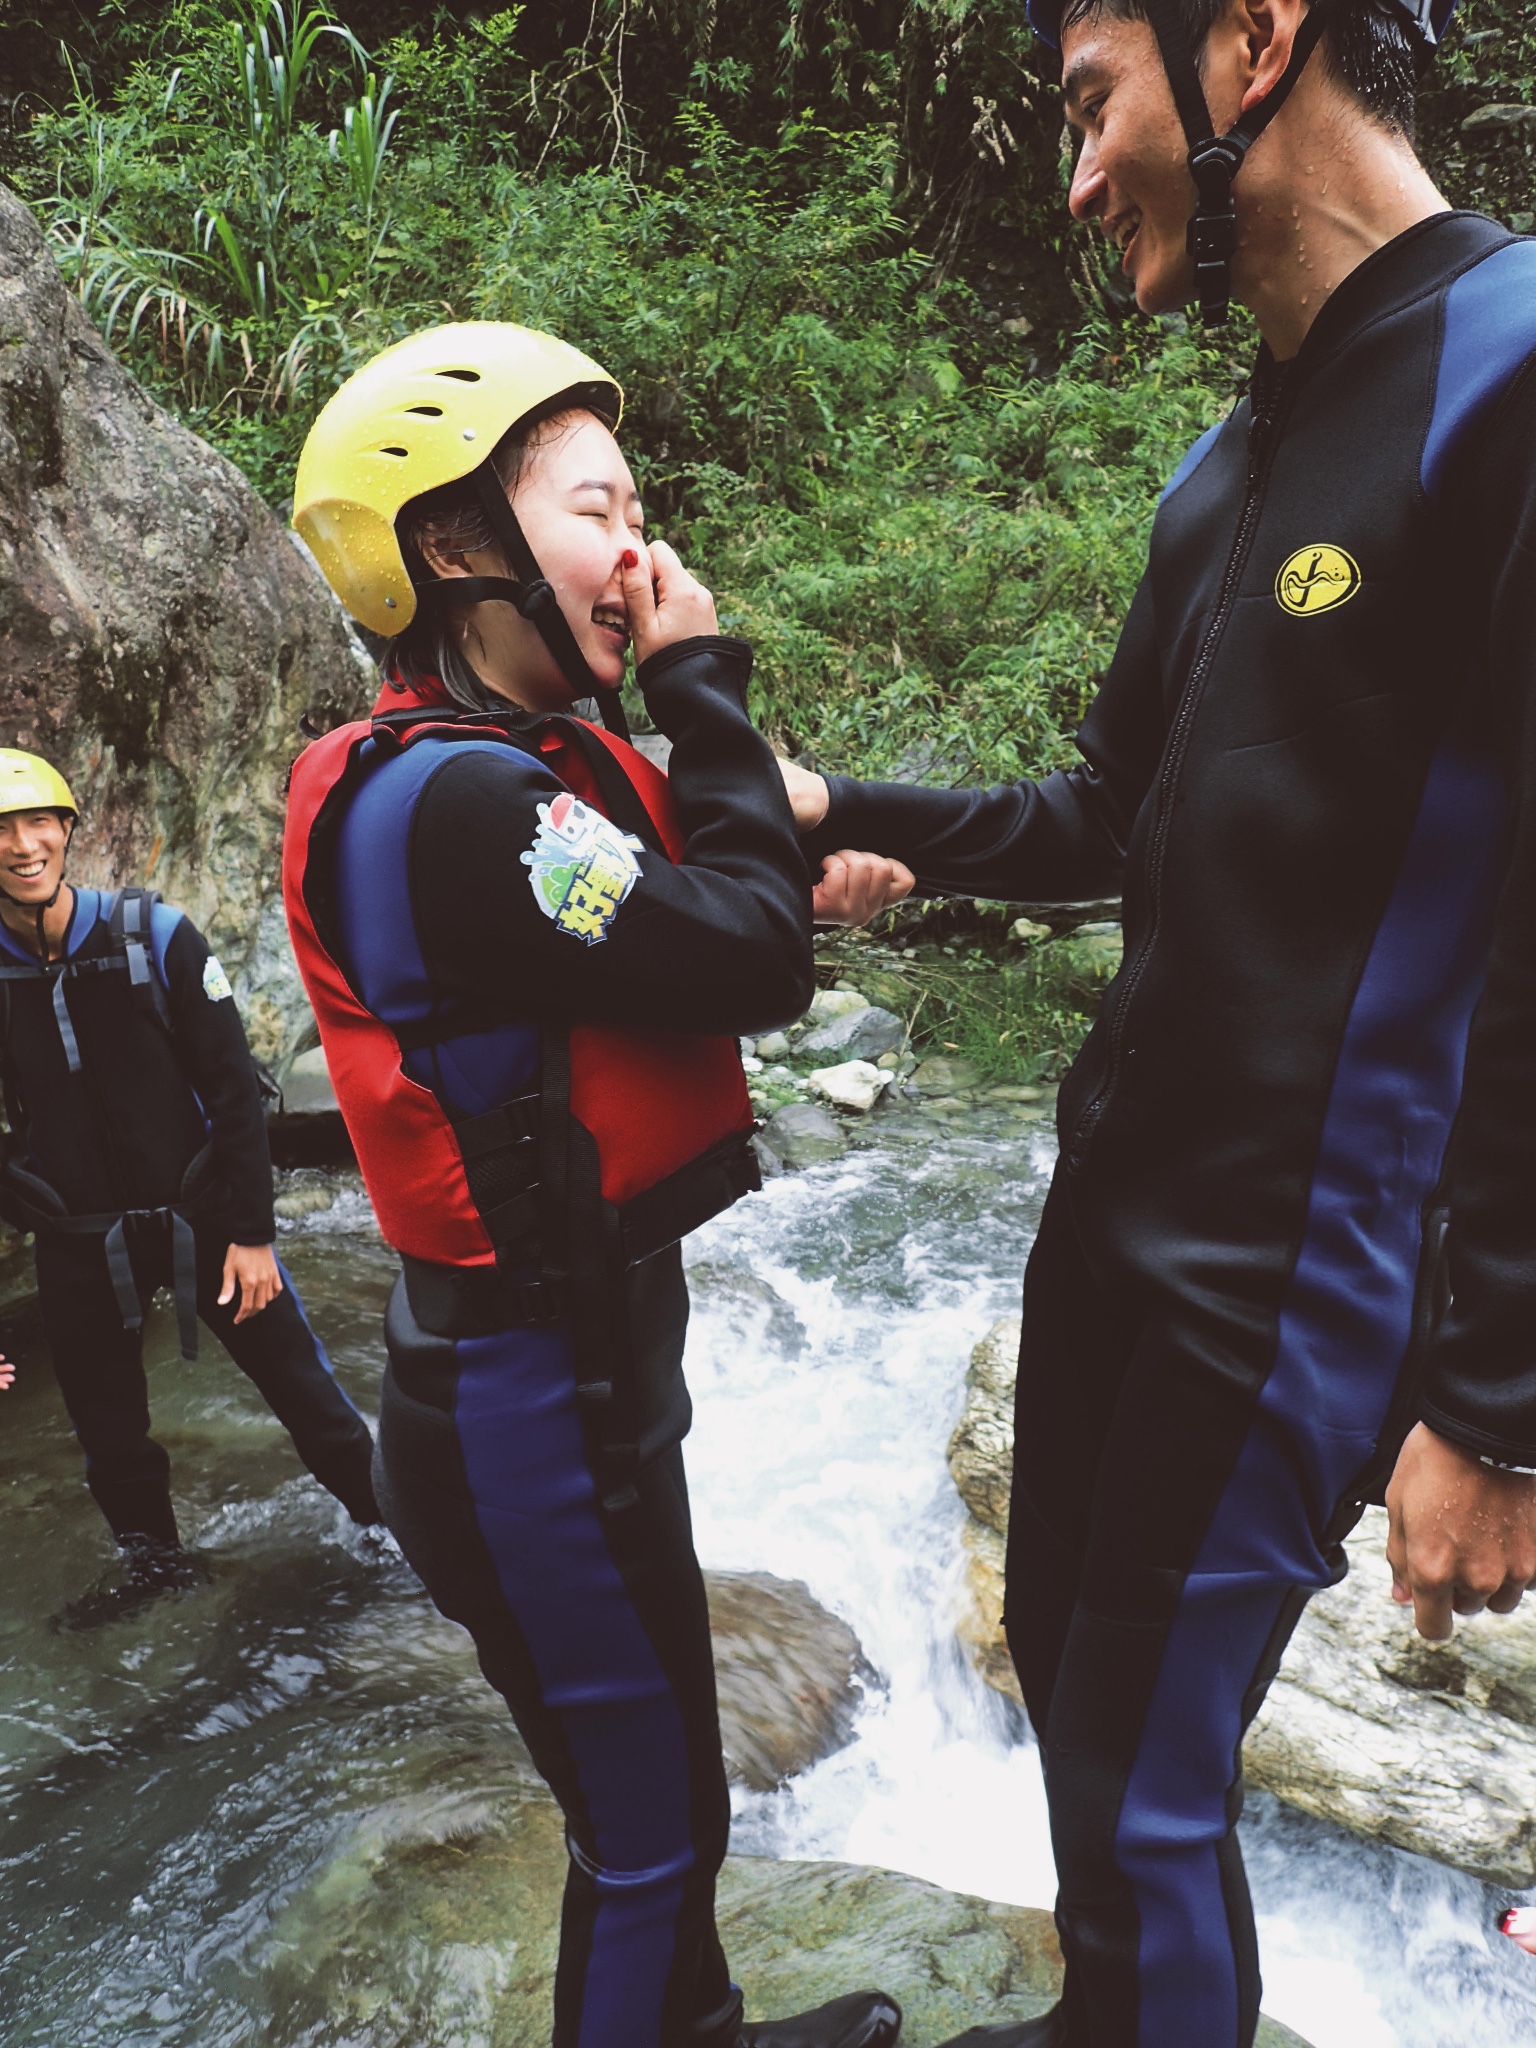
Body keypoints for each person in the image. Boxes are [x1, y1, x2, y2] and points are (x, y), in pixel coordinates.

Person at [779, 2, 1536, 2043]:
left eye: (1090, 101)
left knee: (1148, 1774)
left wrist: (1497, 1397)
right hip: (1114, 1209)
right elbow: (1109, 814)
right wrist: (839, 809)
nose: (1077, 164)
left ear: (1255, 41)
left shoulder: (1514, 364)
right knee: (1066, 1690)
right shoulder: (1233, 458)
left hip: (1300, 1259)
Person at [282, 322, 909, 2048]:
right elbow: (739, 963)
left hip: (561, 1379)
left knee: (654, 1785)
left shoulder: (504, 781)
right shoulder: (470, 805)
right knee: (654, 1830)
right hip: (524, 1403)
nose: (640, 552)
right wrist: (705, 682)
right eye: (598, 508)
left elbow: (685, 909)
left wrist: (784, 872)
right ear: (459, 546)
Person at [0, 749, 380, 1609]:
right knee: (111, 1439)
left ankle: (389, 1531)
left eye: (37, 824)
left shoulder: (154, 938)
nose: (22, 846)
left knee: (307, 1396)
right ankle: (157, 1571)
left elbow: (233, 1093)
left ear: (67, 830)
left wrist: (253, 1233)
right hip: (78, 1238)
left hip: (207, 1217)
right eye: (1, 831)